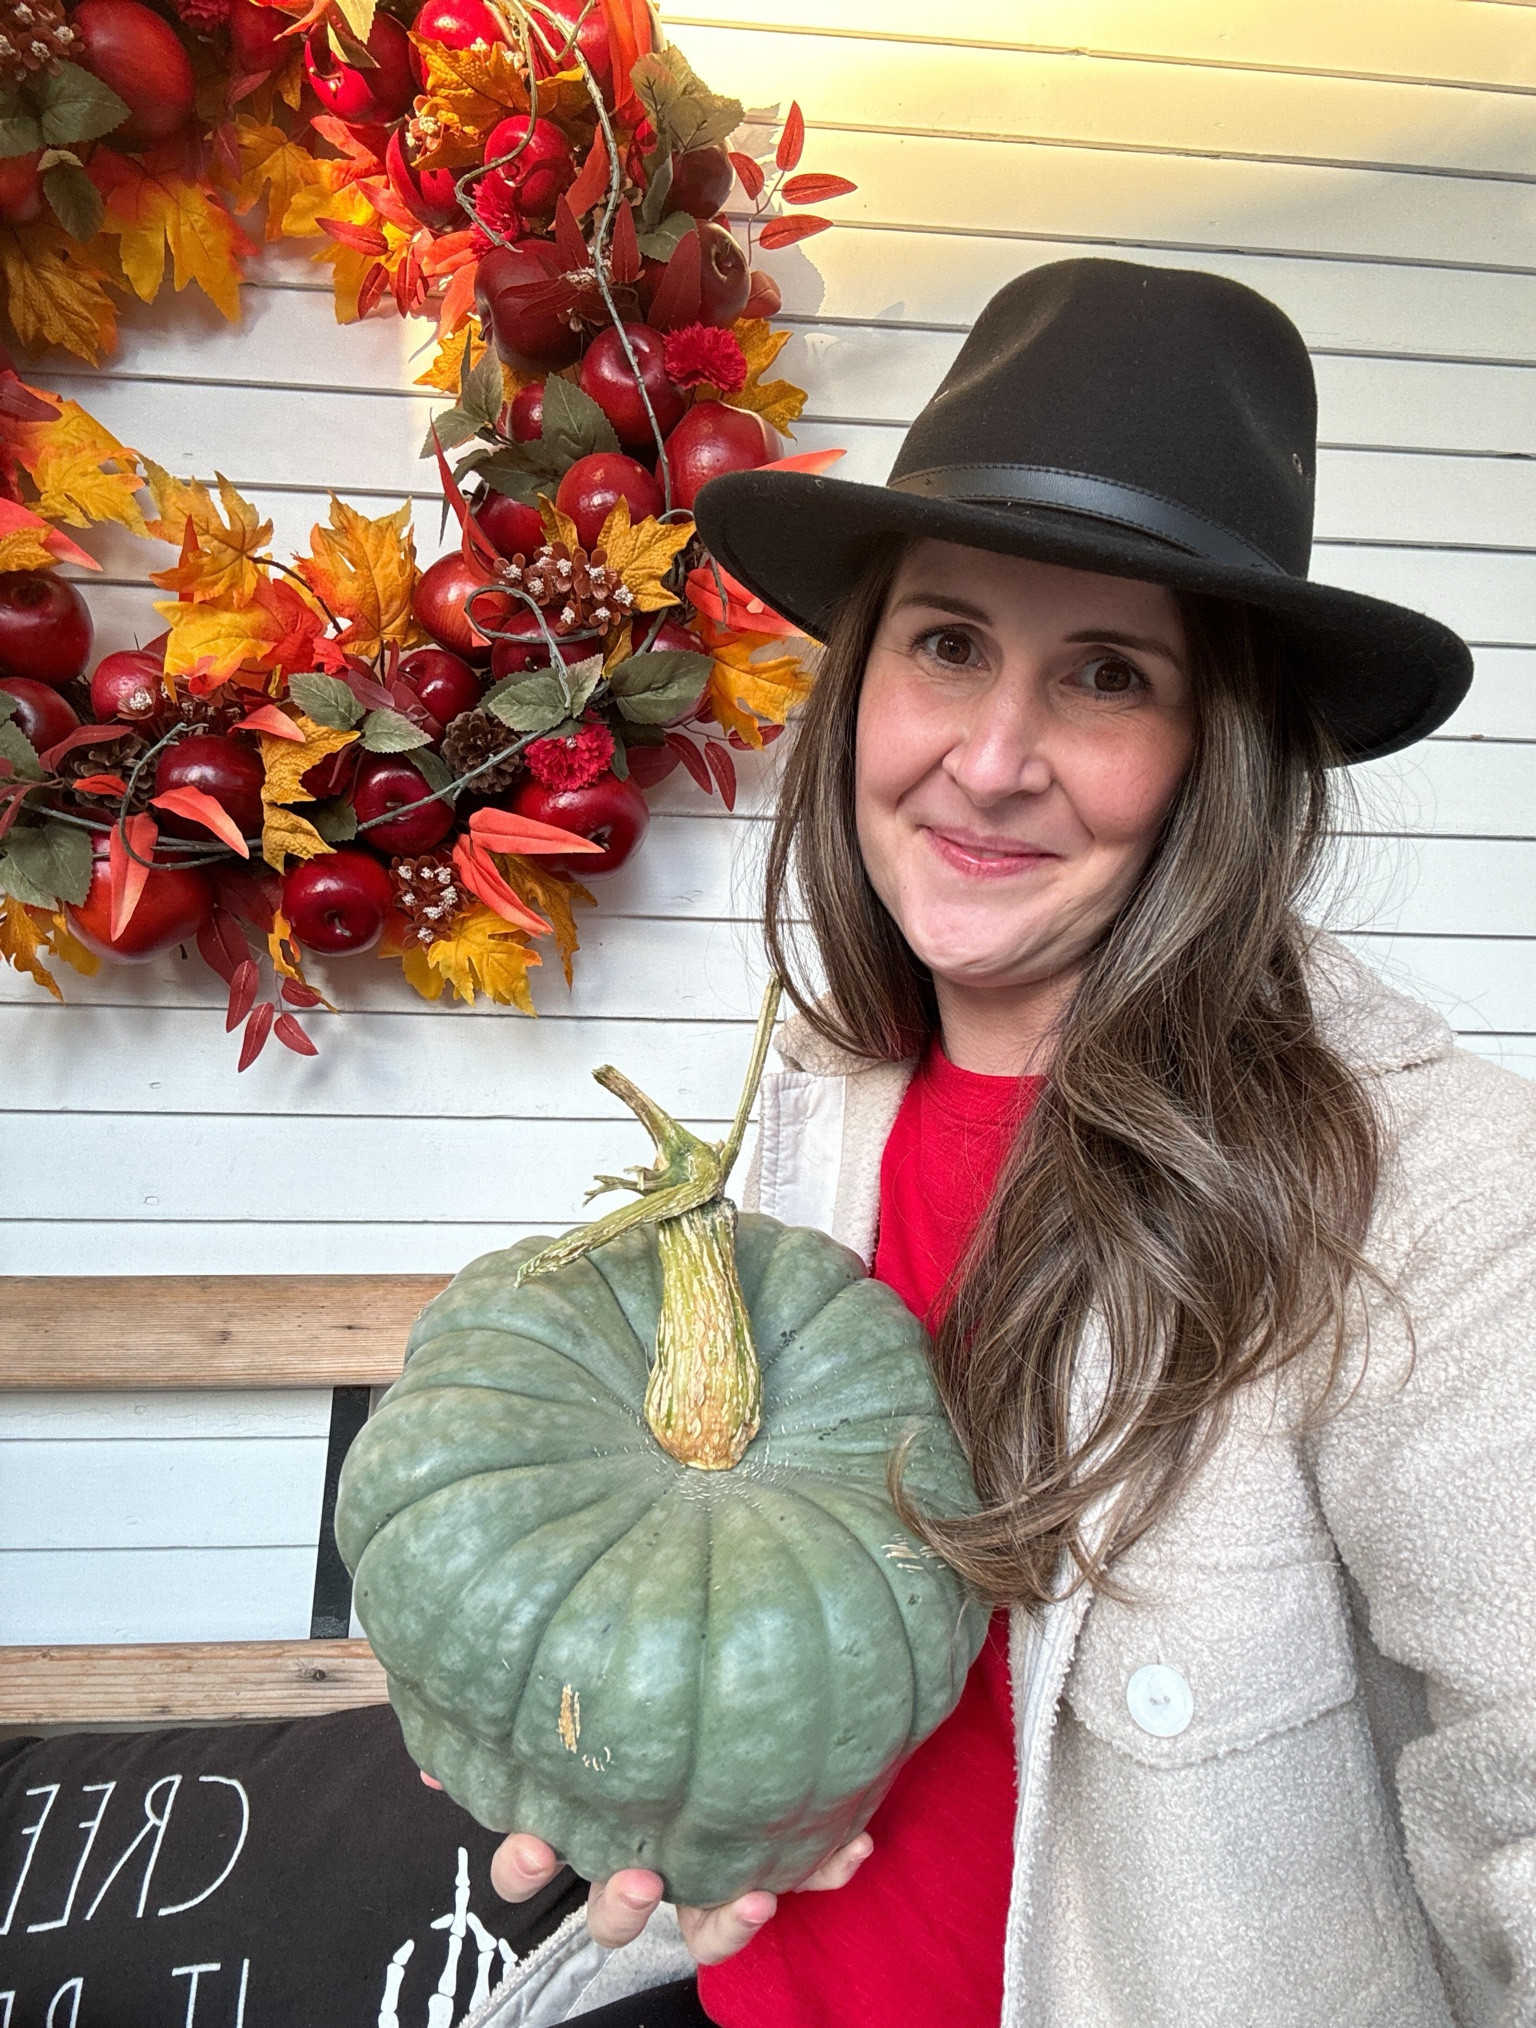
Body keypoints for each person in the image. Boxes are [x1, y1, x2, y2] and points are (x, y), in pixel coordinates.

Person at [458, 260, 1536, 2028]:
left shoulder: (1439, 1201)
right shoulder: (808, 1105)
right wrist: (591, 1722)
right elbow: (726, 1592)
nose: (995, 756)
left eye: (1107, 676)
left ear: (1218, 757)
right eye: (949, 642)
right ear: (864, 679)